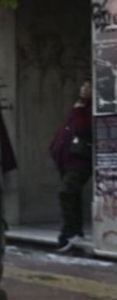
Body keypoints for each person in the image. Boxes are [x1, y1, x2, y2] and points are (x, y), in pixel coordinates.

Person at [48, 81, 93, 252]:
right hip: (66, 160)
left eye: (88, 87)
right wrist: (54, 147)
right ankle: (75, 232)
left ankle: (69, 233)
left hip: (80, 160)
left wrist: (79, 110)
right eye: (82, 86)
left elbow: (83, 129)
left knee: (67, 192)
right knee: (71, 195)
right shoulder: (76, 107)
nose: (84, 89)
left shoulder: (87, 110)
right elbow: (65, 129)